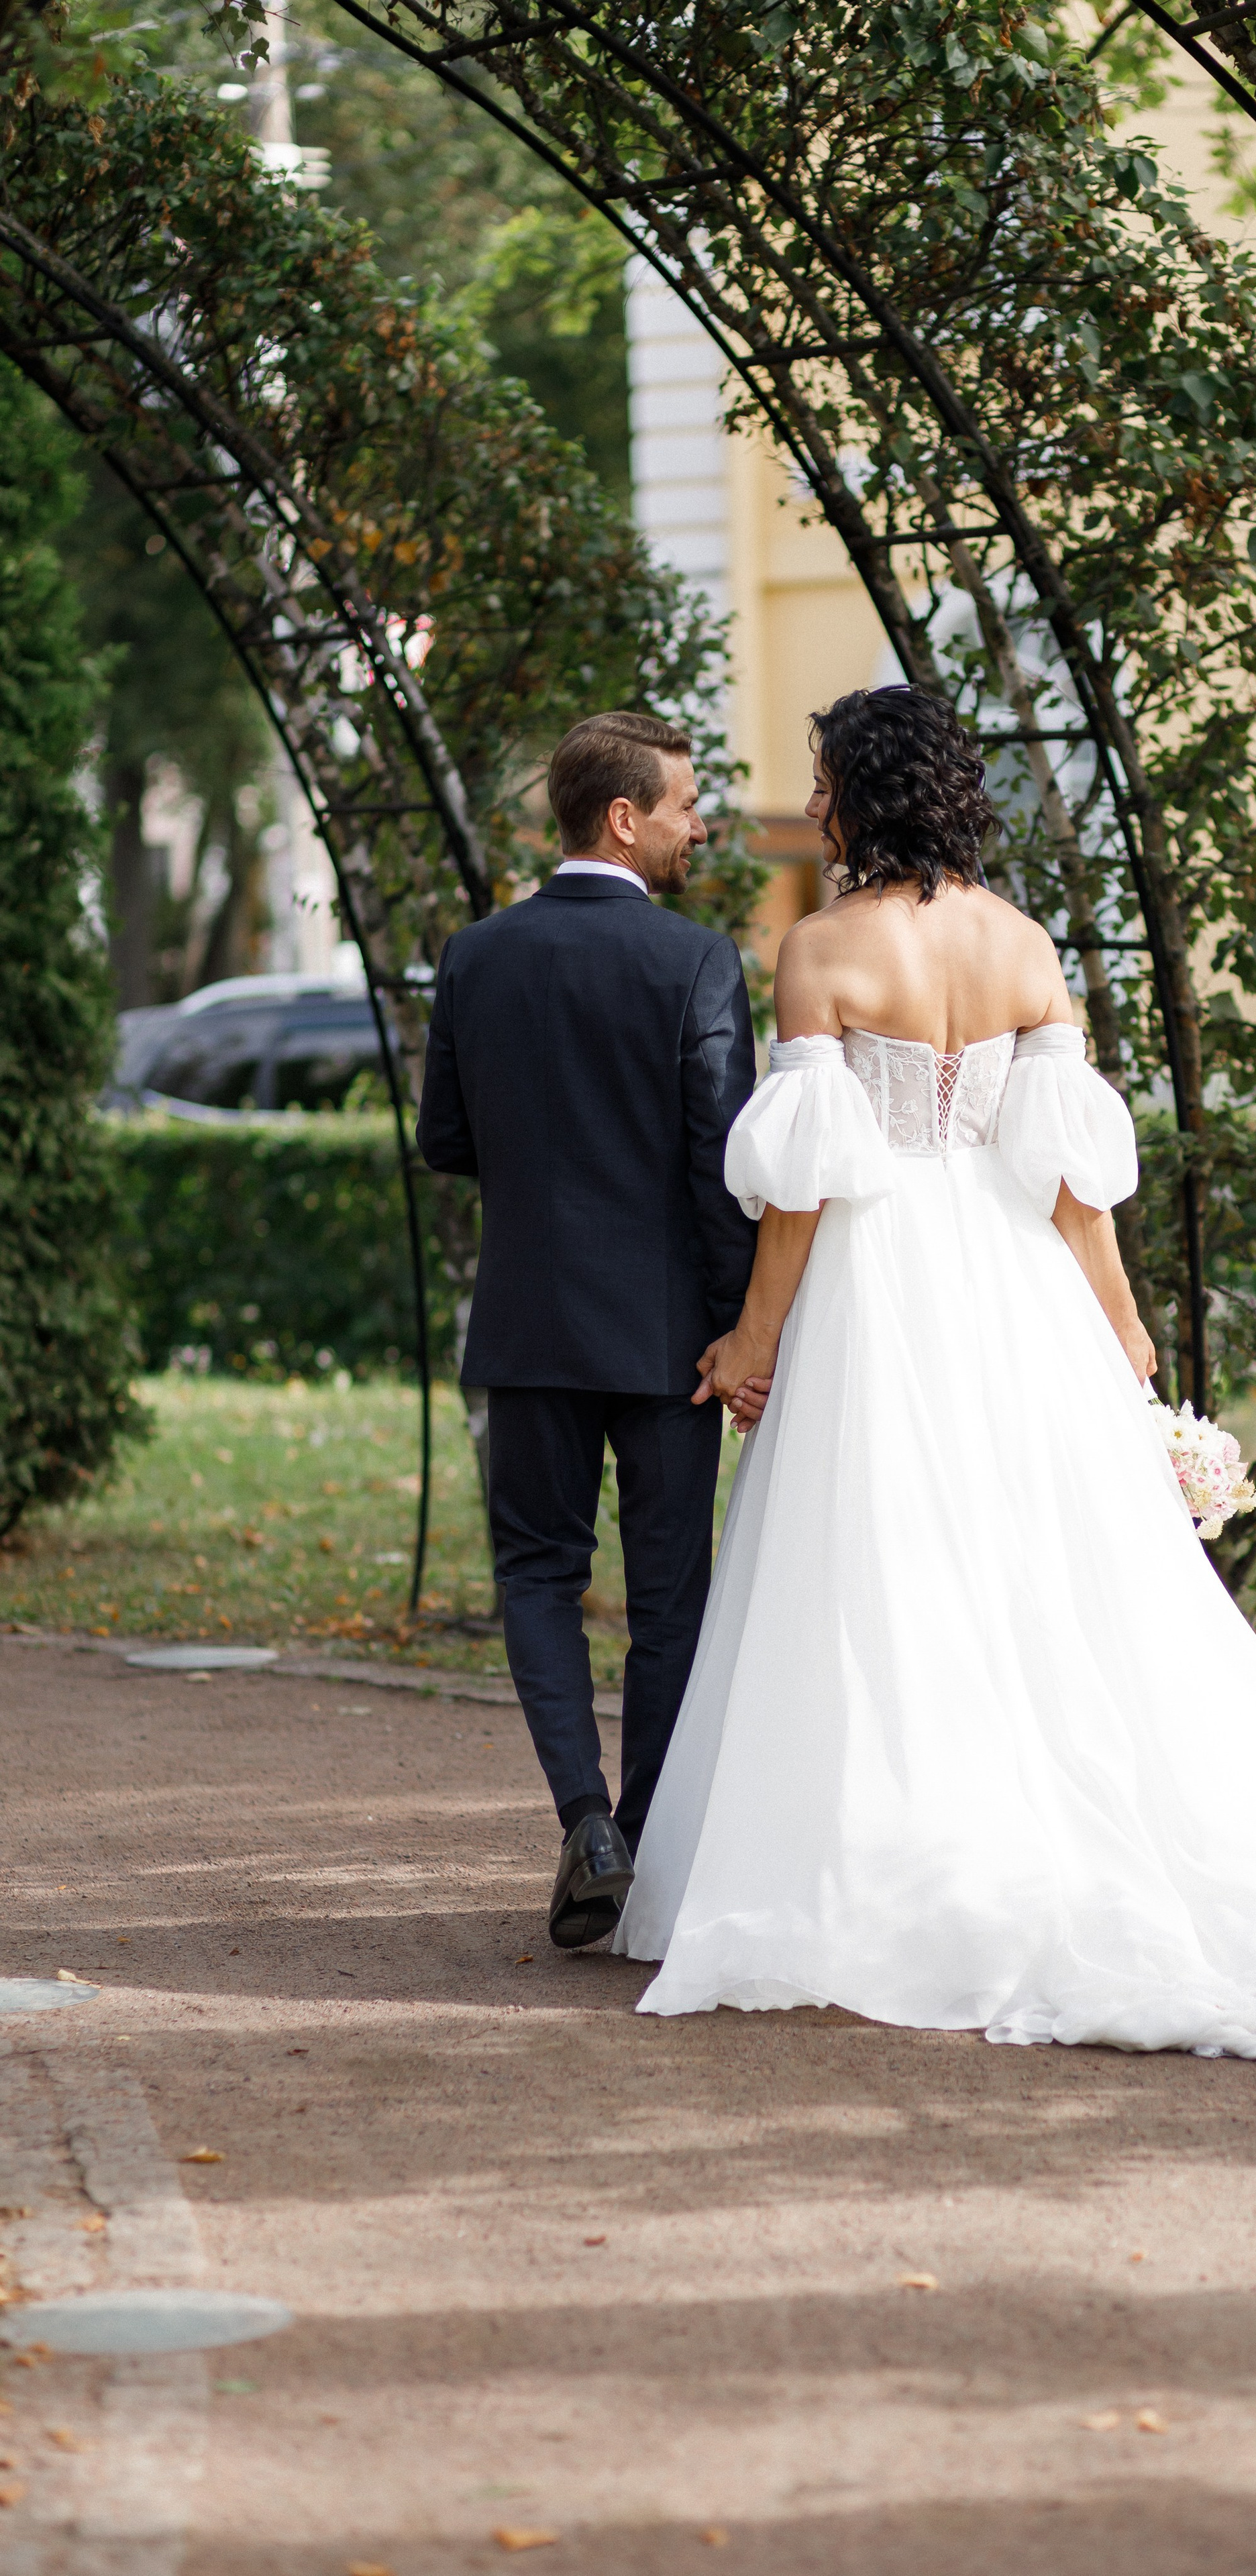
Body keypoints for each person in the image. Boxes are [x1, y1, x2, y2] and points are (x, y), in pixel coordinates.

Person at [613, 686, 1256, 2083]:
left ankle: (894, 1858)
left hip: (884, 1281)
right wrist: (1117, 1325)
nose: (810, 801)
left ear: (864, 794)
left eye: (822, 779)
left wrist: (754, 1338)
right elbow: (1065, 1173)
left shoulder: (819, 949)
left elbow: (806, 1190)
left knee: (879, 1565)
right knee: (1038, 1563)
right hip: (1013, 1285)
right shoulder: (1023, 944)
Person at [417, 710, 762, 1952]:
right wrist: (738, 1332)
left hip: (526, 1329)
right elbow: (725, 1172)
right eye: (681, 805)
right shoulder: (696, 964)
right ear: (624, 817)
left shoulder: (475, 956)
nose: (695, 824)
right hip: (667, 1342)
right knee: (671, 1601)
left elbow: (445, 1142)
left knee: (536, 1581)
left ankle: (584, 1824)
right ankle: (640, 1829)